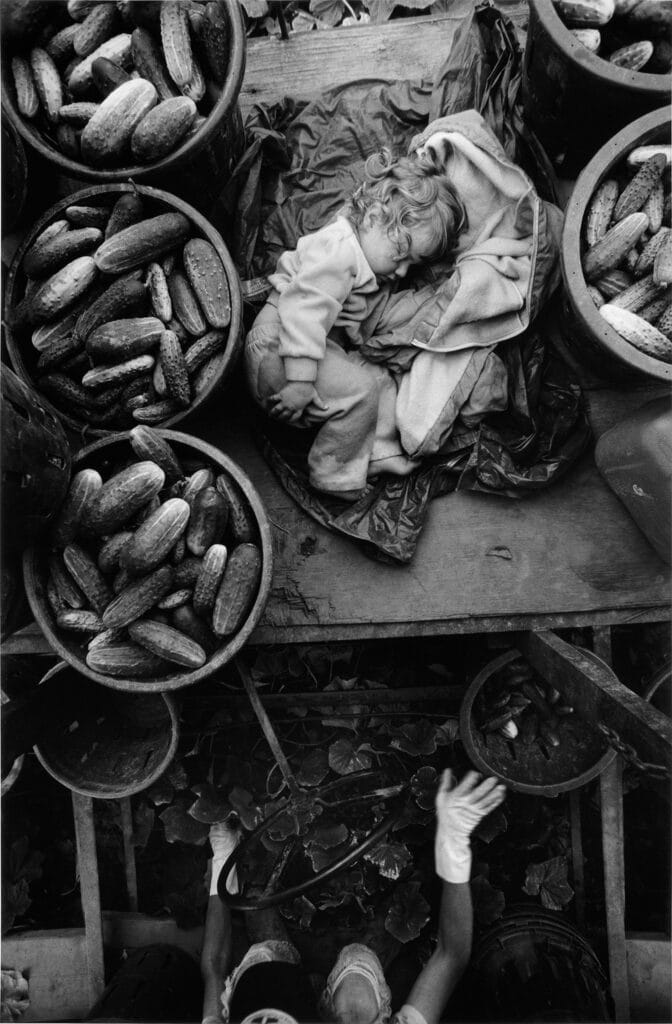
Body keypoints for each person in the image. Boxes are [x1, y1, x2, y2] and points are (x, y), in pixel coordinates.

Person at [243, 149, 467, 501]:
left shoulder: (361, 246)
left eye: (413, 263)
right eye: (401, 254)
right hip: (278, 350)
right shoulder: (338, 251)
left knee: (376, 380)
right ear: (375, 217)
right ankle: (334, 476)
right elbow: (301, 311)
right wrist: (300, 382)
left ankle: (379, 454)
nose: (404, 271)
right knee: (362, 388)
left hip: (303, 353)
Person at [201, 770, 507, 1024]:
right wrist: (453, 845)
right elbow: (451, 957)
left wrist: (222, 860)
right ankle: (358, 963)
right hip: (346, 1012)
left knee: (259, 919)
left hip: (263, 989)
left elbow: (213, 964)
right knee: (358, 996)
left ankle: (276, 955)